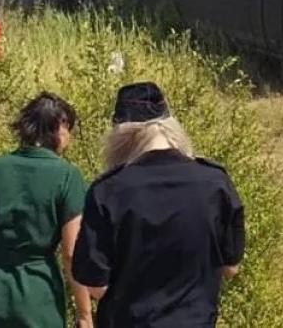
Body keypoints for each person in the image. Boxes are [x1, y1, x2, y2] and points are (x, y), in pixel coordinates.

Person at [73, 82, 246, 328]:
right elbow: (231, 268)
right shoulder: (216, 184)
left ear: (121, 133)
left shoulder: (108, 191)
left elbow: (96, 287)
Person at [0, 92, 92, 328]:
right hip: (38, 293)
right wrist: (85, 313)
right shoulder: (67, 176)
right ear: (60, 127)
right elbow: (70, 252)